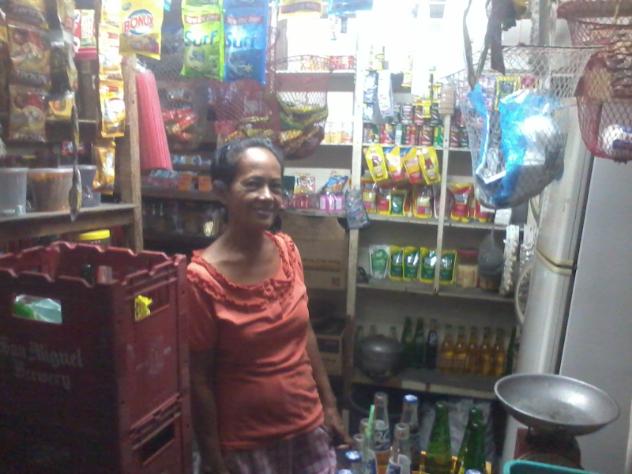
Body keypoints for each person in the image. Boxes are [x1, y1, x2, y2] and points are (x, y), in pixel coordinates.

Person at [187, 137, 350, 474]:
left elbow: (306, 334)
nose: (267, 196)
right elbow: (198, 378)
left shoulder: (288, 251)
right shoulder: (201, 279)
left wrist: (330, 406)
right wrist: (212, 456)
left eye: (275, 186)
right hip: (245, 448)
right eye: (253, 184)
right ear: (222, 192)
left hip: (307, 430)